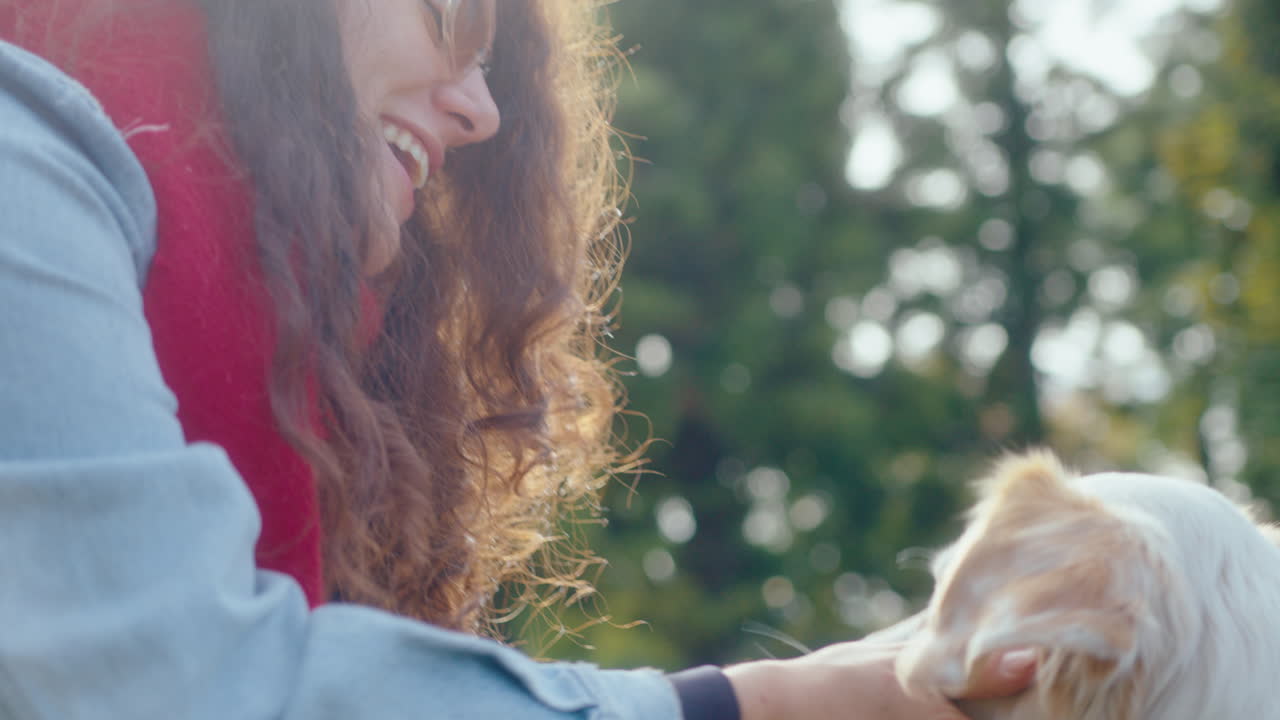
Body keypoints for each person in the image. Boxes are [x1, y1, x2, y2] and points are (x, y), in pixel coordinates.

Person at [0, 0, 1033, 717]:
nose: (481, 112)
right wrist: (754, 704)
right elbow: (178, 692)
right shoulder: (20, 156)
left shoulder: (278, 320)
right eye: (451, 14)